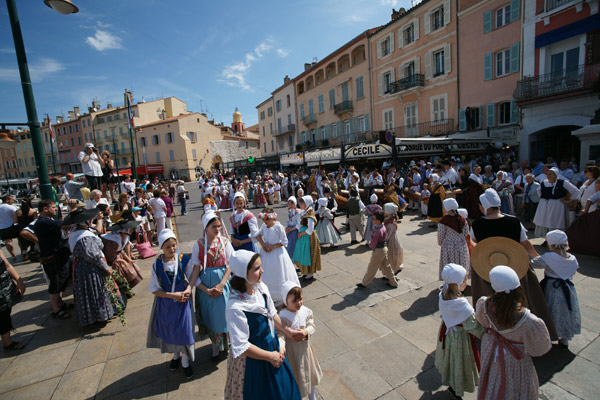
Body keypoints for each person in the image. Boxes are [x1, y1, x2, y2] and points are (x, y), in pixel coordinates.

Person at [470, 189, 558, 341]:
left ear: (484, 206)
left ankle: (493, 329)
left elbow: (474, 244)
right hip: (515, 265)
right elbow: (525, 243)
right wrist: (537, 257)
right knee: (523, 296)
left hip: (487, 267)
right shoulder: (514, 221)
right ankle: (525, 328)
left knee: (491, 297)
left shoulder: (477, 224)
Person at [224, 250, 302, 400]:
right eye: (257, 268)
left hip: (271, 348)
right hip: (255, 360)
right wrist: (270, 357)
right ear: (242, 273)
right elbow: (241, 346)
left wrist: (289, 332)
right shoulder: (235, 307)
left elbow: (272, 315)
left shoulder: (260, 288)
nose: (262, 271)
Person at [475, 266, 552, 400]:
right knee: (514, 385)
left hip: (492, 350)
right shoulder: (529, 321)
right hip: (515, 360)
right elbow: (539, 349)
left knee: (493, 379)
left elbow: (482, 322)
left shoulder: (484, 304)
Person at [147, 229, 196, 379]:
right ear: (161, 247)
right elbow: (155, 289)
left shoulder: (182, 260)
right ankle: (176, 355)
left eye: (174, 245)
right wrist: (172, 295)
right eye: (168, 247)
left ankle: (186, 361)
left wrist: (188, 288)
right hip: (167, 303)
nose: (172, 249)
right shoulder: (157, 265)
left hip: (182, 301)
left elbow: (192, 274)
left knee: (184, 331)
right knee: (171, 330)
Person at [435, 263, 484, 400]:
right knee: (460, 362)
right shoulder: (462, 305)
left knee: (451, 358)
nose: (465, 283)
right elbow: (473, 326)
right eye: (464, 280)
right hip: (459, 337)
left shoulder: (443, 292)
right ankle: (456, 390)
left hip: (448, 331)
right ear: (457, 283)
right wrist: (487, 333)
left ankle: (453, 384)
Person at [65, 207, 117, 327]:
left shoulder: (74, 232)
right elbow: (93, 256)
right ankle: (99, 315)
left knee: (86, 292)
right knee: (95, 290)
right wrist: (106, 267)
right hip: (90, 268)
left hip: (81, 267)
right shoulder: (84, 237)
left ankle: (91, 316)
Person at [191, 212, 233, 361]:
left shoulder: (225, 242)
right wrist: (204, 289)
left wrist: (222, 284)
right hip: (207, 286)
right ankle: (215, 346)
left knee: (224, 315)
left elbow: (230, 265)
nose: (218, 229)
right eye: (214, 226)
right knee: (210, 316)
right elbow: (195, 268)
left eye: (219, 226)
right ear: (206, 227)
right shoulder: (199, 244)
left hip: (223, 284)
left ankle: (227, 344)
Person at [531, 230, 581, 349]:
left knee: (551, 310)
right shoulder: (572, 258)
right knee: (566, 312)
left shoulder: (549, 257)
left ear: (550, 243)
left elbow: (534, 263)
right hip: (568, 289)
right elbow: (575, 268)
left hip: (552, 288)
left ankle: (548, 335)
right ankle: (564, 339)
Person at [278, 282, 323, 400]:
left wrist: (305, 332)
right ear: (286, 301)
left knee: (310, 377)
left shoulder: (306, 311)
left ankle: (312, 397)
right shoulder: (283, 316)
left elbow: (312, 325)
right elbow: (281, 335)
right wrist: (281, 347)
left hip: (305, 351)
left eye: (300, 299)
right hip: (292, 354)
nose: (299, 303)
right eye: (294, 301)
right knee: (297, 377)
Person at [33, 200, 72, 319]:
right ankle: (56, 309)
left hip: (57, 257)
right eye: (54, 207)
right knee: (55, 283)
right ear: (45, 209)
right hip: (52, 259)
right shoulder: (43, 222)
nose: (56, 209)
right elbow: (64, 225)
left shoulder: (47, 221)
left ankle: (60, 303)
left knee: (60, 280)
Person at [253, 208, 301, 306]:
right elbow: (257, 235)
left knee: (279, 273)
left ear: (273, 218)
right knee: (266, 273)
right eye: (263, 219)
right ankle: (268, 294)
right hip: (266, 253)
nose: (265, 222)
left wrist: (272, 246)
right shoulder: (264, 226)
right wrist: (263, 244)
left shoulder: (278, 227)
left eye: (267, 219)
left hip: (277, 253)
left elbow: (284, 242)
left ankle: (280, 296)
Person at [356, 209, 398, 289]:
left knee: (372, 267)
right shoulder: (383, 226)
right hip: (384, 248)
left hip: (378, 250)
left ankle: (365, 283)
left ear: (378, 220)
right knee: (387, 267)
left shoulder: (377, 231)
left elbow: (373, 243)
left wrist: (372, 248)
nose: (372, 220)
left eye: (374, 219)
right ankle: (393, 282)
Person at [533, 167, 579, 238]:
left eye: (551, 174)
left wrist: (569, 200)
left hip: (557, 205)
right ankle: (544, 238)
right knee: (543, 221)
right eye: (548, 174)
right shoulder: (543, 183)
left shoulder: (563, 182)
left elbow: (576, 191)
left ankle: (556, 238)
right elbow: (539, 191)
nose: (548, 175)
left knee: (555, 222)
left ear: (556, 175)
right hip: (544, 205)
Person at [102, 219, 143, 296]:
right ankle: (122, 292)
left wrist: (128, 259)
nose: (132, 231)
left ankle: (126, 290)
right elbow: (110, 256)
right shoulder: (113, 241)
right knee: (119, 274)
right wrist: (123, 261)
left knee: (129, 268)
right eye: (130, 229)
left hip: (117, 256)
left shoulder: (123, 237)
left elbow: (120, 250)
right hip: (112, 259)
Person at [437, 199, 470, 280]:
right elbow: (466, 232)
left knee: (450, 265)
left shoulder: (444, 220)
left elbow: (440, 235)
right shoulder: (462, 218)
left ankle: (450, 281)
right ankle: (461, 281)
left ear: (447, 208)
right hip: (461, 245)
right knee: (461, 263)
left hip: (448, 246)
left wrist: (441, 243)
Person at [0, 251, 26, 351]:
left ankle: (7, 342)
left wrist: (19, 280)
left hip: (4, 287)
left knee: (5, 312)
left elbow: (7, 264)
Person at [292, 196, 322, 282]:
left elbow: (310, 230)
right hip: (303, 236)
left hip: (309, 237)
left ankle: (310, 274)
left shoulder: (310, 214)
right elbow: (300, 223)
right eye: (300, 203)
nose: (300, 205)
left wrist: (301, 233)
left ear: (307, 204)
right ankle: (305, 271)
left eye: (302, 203)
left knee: (309, 254)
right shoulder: (304, 211)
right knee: (303, 253)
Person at [383, 203, 404, 274]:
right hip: (392, 239)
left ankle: (392, 272)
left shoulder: (391, 223)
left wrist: (383, 240)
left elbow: (388, 235)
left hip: (392, 241)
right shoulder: (388, 220)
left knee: (391, 256)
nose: (383, 210)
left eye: (385, 209)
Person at [0, 195, 18, 261]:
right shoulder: (11, 207)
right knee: (20, 239)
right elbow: (17, 215)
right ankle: (23, 252)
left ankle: (13, 255)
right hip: (11, 225)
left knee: (8, 241)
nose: (13, 200)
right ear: (7, 200)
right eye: (12, 199)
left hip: (1, 227)